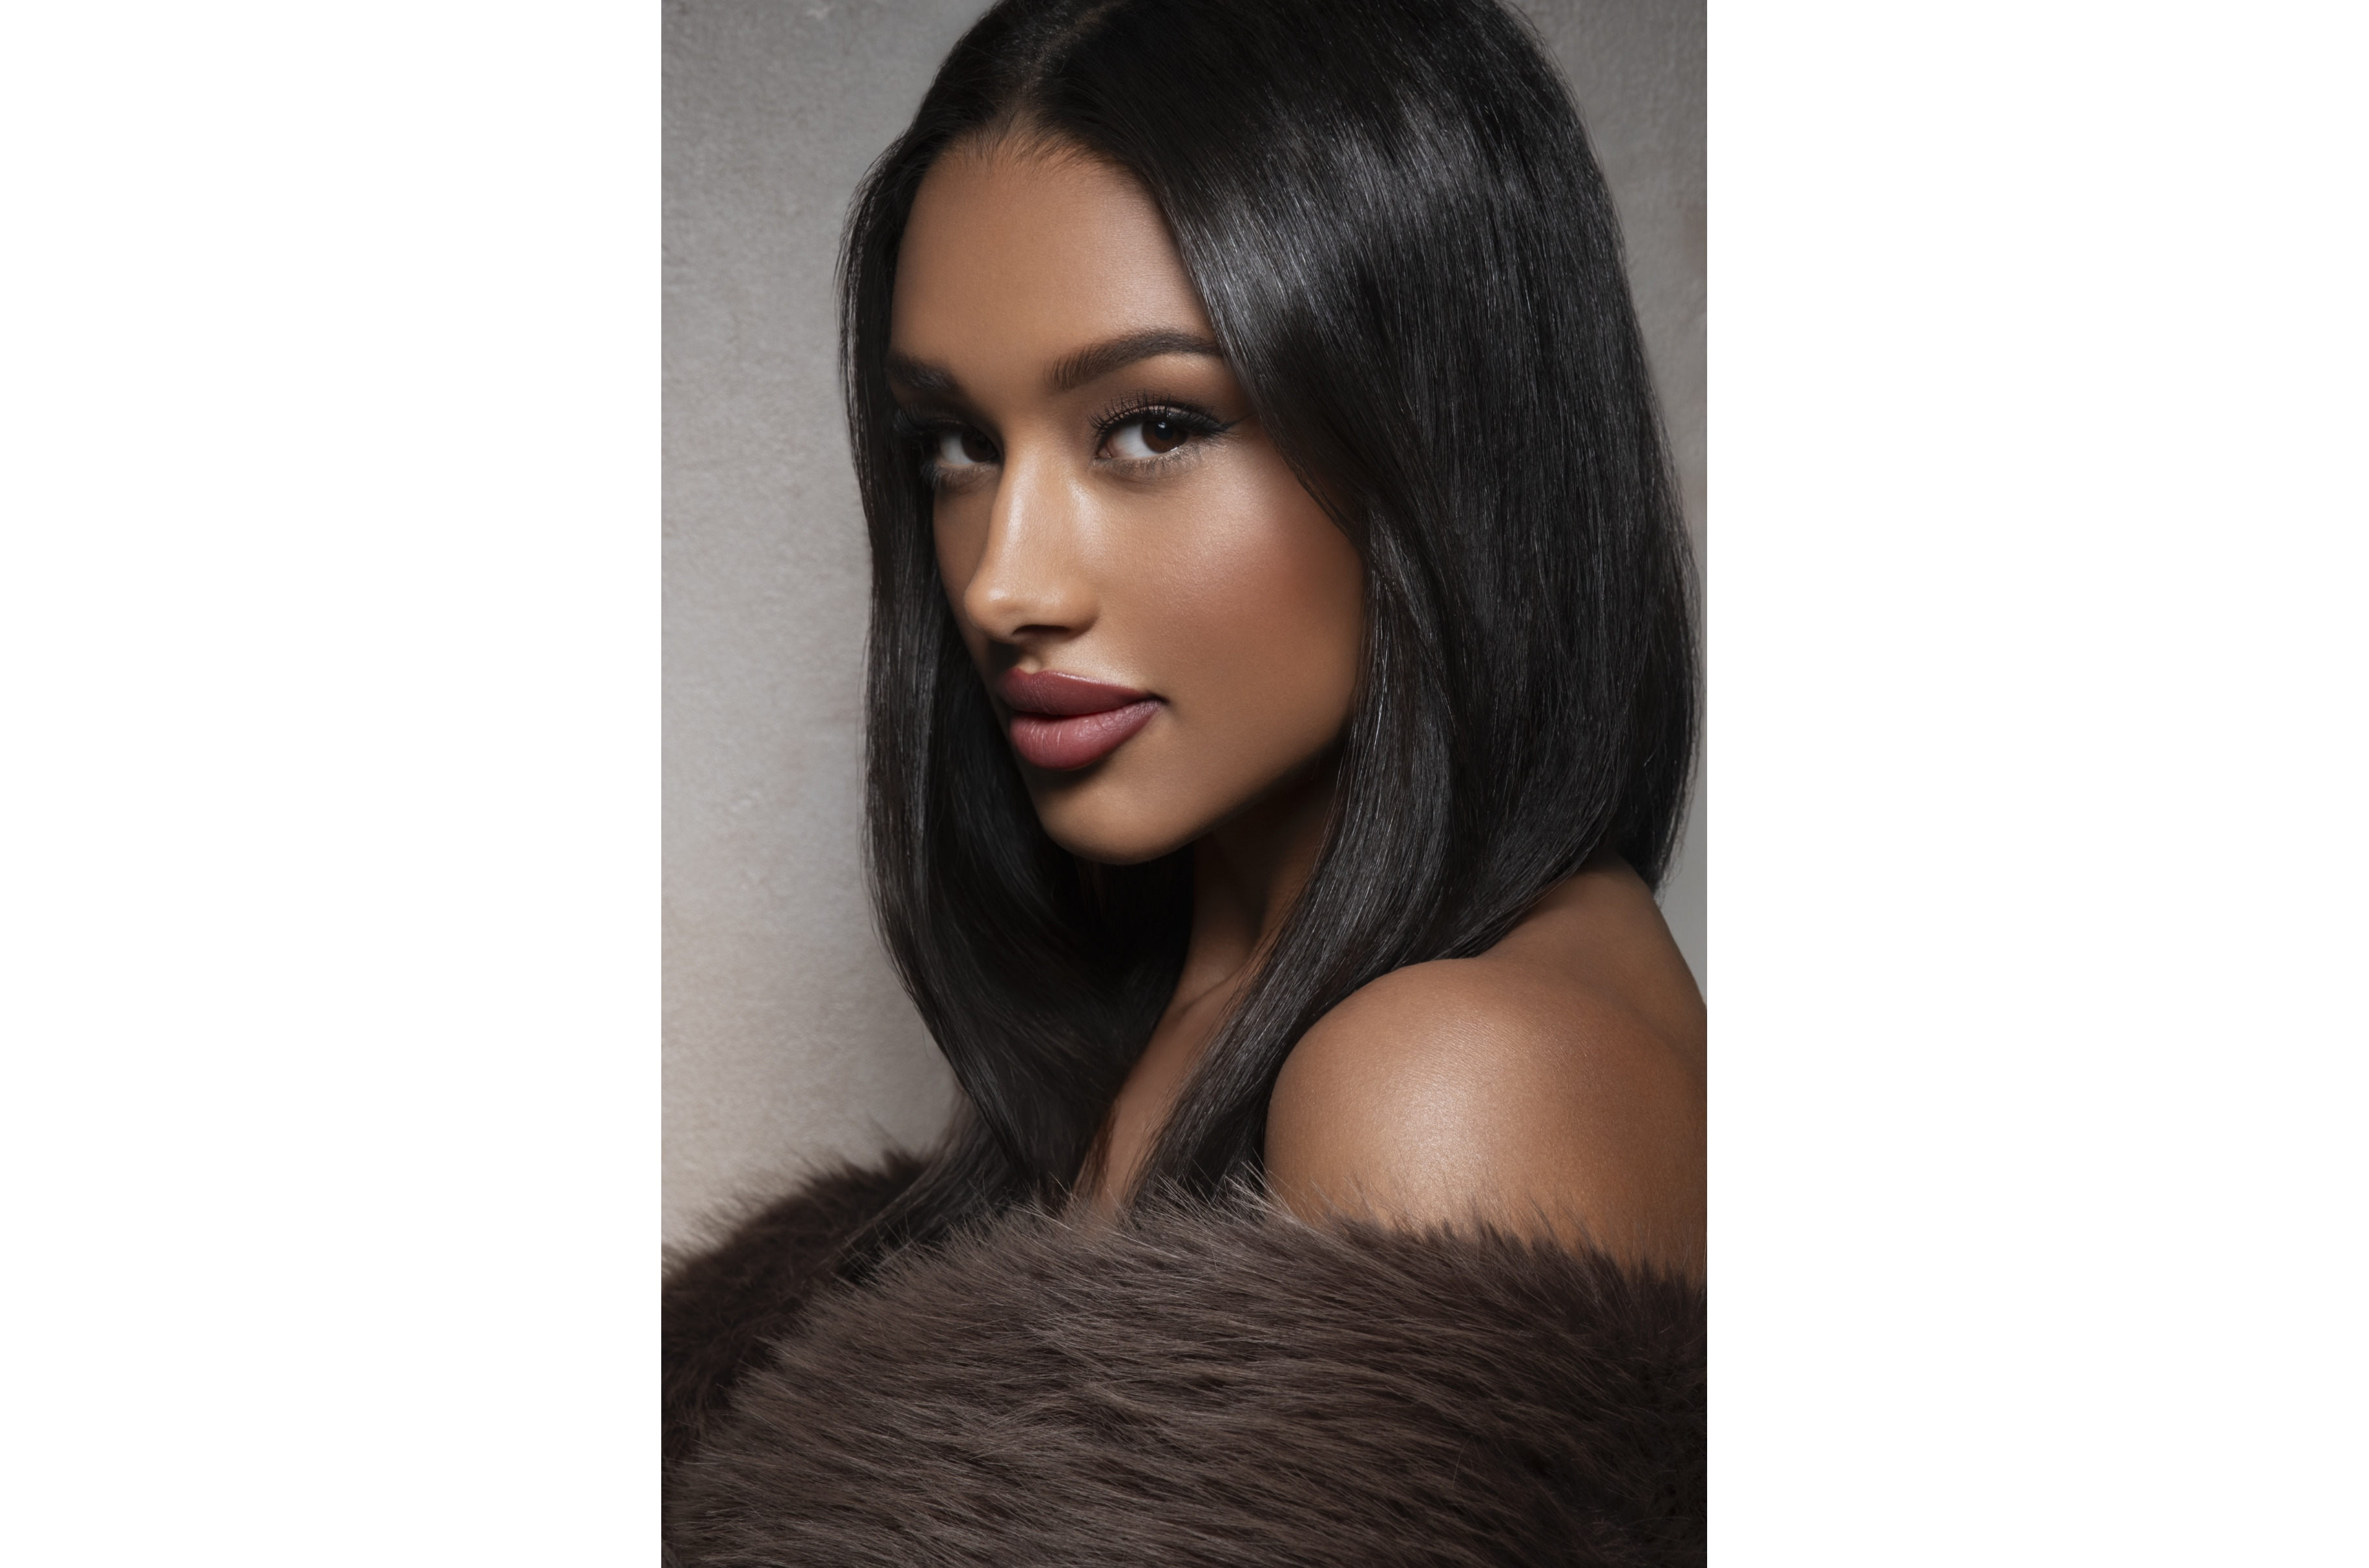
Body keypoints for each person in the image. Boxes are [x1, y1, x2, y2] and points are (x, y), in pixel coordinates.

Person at [664, 0, 1705, 1558]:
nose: (1004, 582)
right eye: (954, 443)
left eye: (1151, 426)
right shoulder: (1178, 1012)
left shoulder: (1449, 1076)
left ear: (1443, 432)